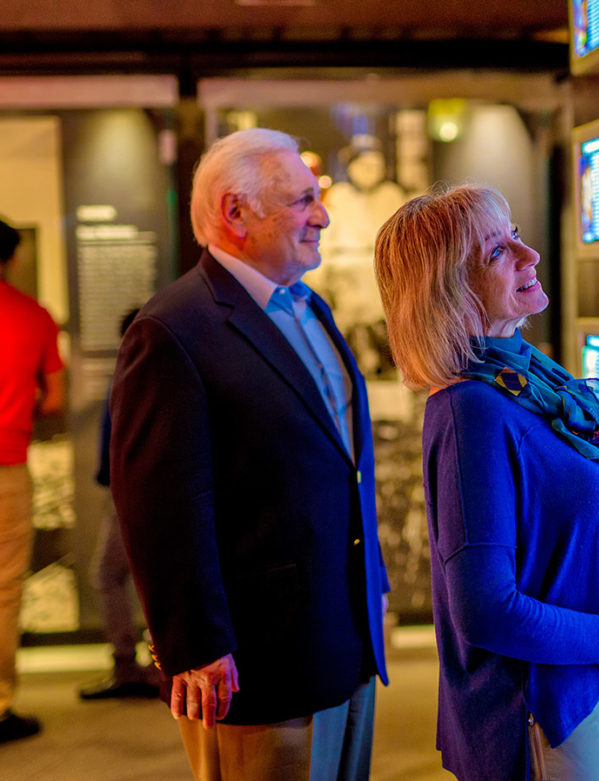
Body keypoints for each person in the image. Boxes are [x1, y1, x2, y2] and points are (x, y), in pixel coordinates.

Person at [374, 184, 599, 781]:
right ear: (449, 295)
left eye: (514, 233)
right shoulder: (471, 410)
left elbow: (546, 552)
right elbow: (486, 611)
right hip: (531, 719)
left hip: (571, 702)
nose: (528, 253)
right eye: (496, 252)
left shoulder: (524, 375)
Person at [110, 128, 389, 781]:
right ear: (236, 213)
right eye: (302, 200)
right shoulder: (171, 329)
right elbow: (160, 505)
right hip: (258, 660)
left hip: (343, 639)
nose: (322, 215)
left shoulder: (308, 306)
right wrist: (196, 644)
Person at [0, 217, 63, 744]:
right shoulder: (33, 316)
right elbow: (56, 399)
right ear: (14, 258)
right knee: (3, 591)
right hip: (7, 463)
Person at [79, 308, 159, 701]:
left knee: (108, 576)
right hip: (139, 489)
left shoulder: (134, 370)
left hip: (131, 492)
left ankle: (129, 664)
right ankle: (150, 663)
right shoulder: (155, 370)